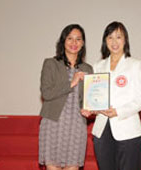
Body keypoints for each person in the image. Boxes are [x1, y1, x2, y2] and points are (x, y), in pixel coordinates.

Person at [82, 21, 141, 170]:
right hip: (102, 129)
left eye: (118, 37)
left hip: (127, 128)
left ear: (125, 40)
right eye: (110, 37)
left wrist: (118, 111)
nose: (114, 42)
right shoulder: (97, 66)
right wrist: (91, 109)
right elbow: (94, 96)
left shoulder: (135, 65)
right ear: (105, 41)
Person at [39, 24, 93, 170]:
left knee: (73, 166)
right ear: (63, 41)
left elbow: (89, 99)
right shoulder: (51, 64)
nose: (74, 43)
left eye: (78, 39)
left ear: (82, 43)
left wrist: (90, 109)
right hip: (53, 123)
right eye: (70, 38)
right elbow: (46, 93)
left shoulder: (87, 69)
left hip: (76, 124)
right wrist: (71, 83)